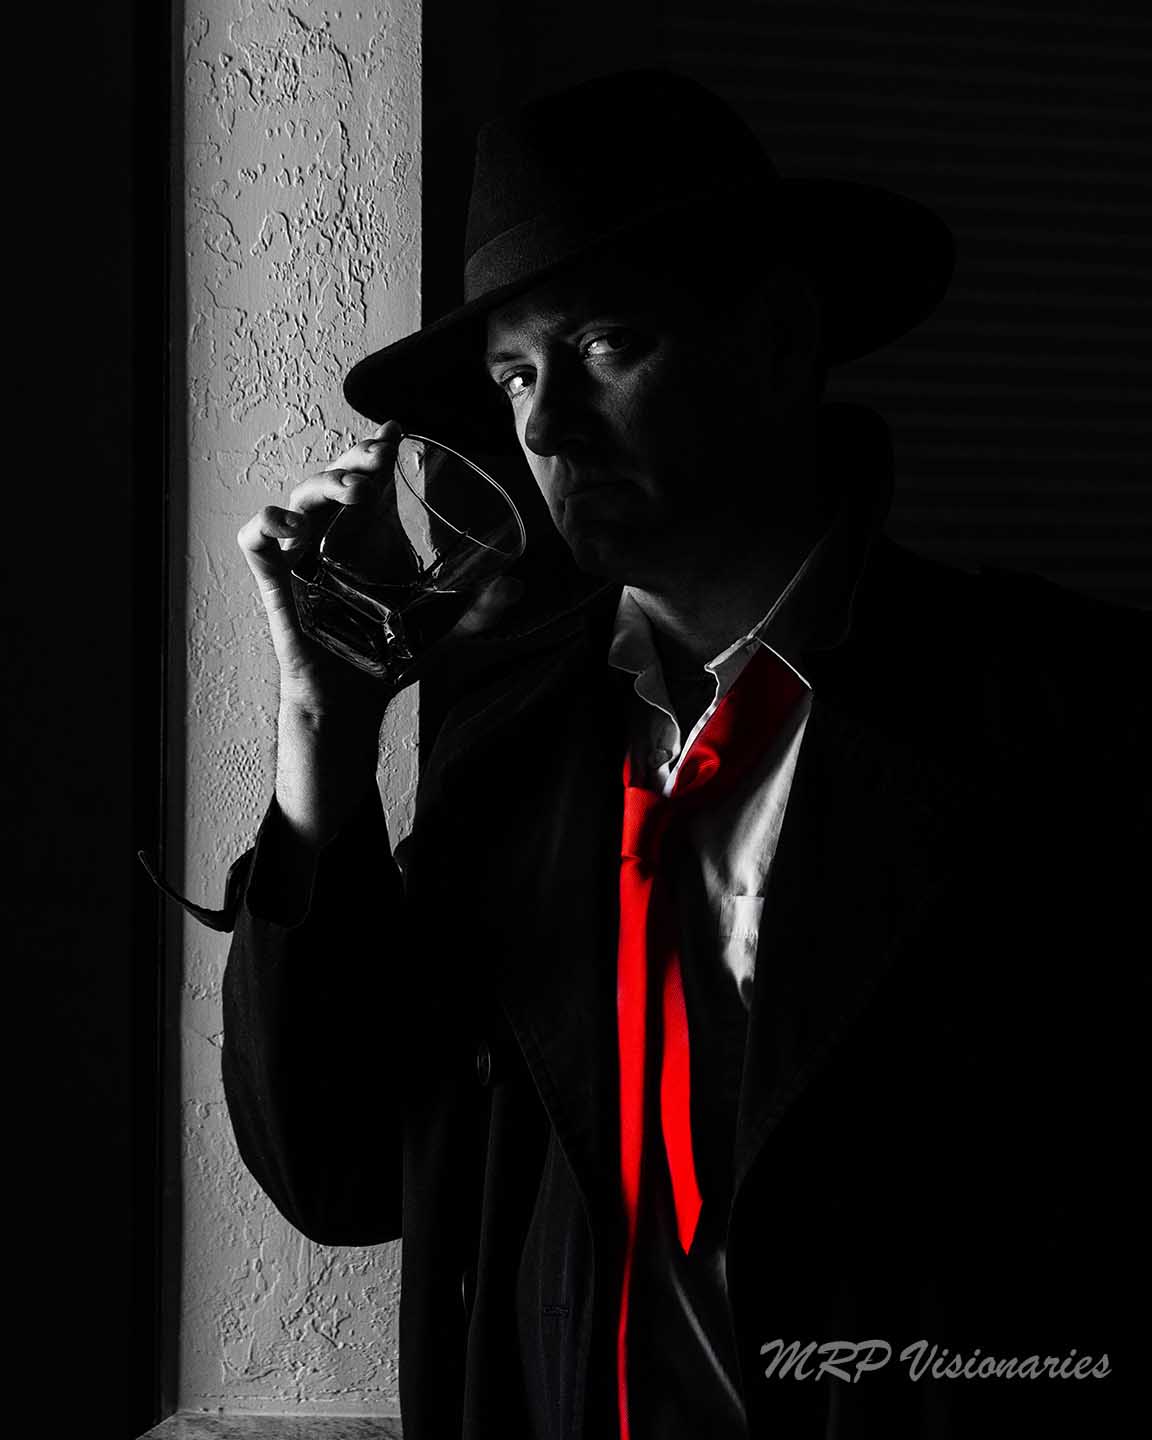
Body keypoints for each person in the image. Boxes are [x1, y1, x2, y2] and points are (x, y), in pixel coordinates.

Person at [191, 71, 1146, 1439]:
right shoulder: (507, 749)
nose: (543, 426)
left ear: (777, 342)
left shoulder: (1063, 715)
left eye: (602, 346)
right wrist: (320, 739)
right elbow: (336, 1171)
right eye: (515, 376)